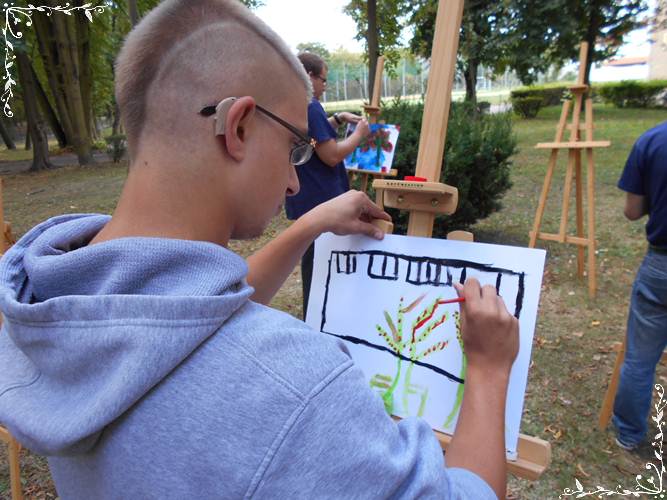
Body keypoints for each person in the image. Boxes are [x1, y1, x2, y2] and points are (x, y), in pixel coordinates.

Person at [0, 1, 518, 498]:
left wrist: (309, 225)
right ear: (239, 127)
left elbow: (186, 316)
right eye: (294, 147)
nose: (293, 182)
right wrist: (489, 368)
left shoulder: (53, 303)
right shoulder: (294, 388)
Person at [285, 52, 371, 316]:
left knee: (313, 260)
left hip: (306, 200)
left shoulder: (293, 104)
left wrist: (337, 119)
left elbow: (312, 141)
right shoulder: (311, 106)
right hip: (322, 201)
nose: (325, 85)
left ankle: (315, 314)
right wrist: (359, 135)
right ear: (309, 76)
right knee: (320, 265)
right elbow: (331, 155)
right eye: (323, 79)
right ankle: (318, 317)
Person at [613, 120, 667, 451]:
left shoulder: (652, 140)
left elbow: (632, 211)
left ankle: (629, 434)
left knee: (640, 359)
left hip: (661, 266)